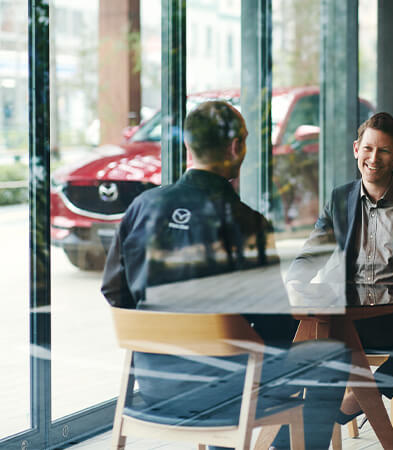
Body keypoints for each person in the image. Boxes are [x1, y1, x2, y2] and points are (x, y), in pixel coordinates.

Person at [101, 101, 349, 450]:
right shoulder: (245, 222)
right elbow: (276, 329)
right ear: (236, 147)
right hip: (225, 396)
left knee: (237, 358)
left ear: (188, 146)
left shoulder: (142, 207)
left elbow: (114, 291)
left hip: (154, 386)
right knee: (332, 355)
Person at [285, 112, 393, 433]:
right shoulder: (340, 198)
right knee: (313, 335)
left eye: (383, 151)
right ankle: (300, 436)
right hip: (348, 321)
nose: (374, 158)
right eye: (368, 149)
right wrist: (296, 281)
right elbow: (312, 253)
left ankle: (374, 397)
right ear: (356, 149)